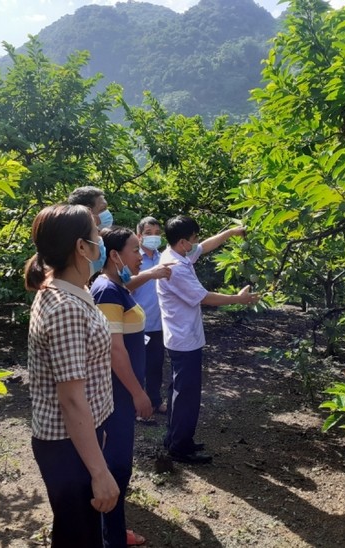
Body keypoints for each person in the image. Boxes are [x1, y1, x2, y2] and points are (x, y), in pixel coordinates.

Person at [25, 204, 119, 547]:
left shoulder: (69, 291)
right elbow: (71, 399)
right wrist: (99, 472)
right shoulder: (64, 308)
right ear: (82, 247)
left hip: (80, 438)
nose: (101, 242)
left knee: (75, 533)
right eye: (97, 235)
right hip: (69, 445)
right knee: (80, 537)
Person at [157, 216, 259, 464]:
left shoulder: (174, 254)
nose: (196, 243)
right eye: (193, 239)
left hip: (179, 336)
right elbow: (204, 297)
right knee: (187, 395)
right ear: (182, 242)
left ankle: (174, 438)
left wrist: (231, 233)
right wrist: (238, 299)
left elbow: (205, 247)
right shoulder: (177, 268)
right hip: (184, 338)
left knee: (178, 390)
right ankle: (181, 447)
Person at [89, 226, 152, 548]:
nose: (140, 256)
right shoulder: (107, 291)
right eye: (135, 250)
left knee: (120, 466)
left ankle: (113, 531)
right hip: (116, 396)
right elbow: (115, 352)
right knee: (116, 466)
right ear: (115, 255)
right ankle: (110, 536)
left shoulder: (118, 286)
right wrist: (139, 393)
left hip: (122, 395)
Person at [130, 216, 169, 415]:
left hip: (157, 323)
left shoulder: (164, 258)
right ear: (139, 236)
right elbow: (126, 285)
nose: (153, 237)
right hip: (136, 324)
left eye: (156, 233)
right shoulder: (134, 259)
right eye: (148, 233)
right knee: (137, 368)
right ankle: (137, 406)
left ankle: (155, 401)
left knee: (155, 365)